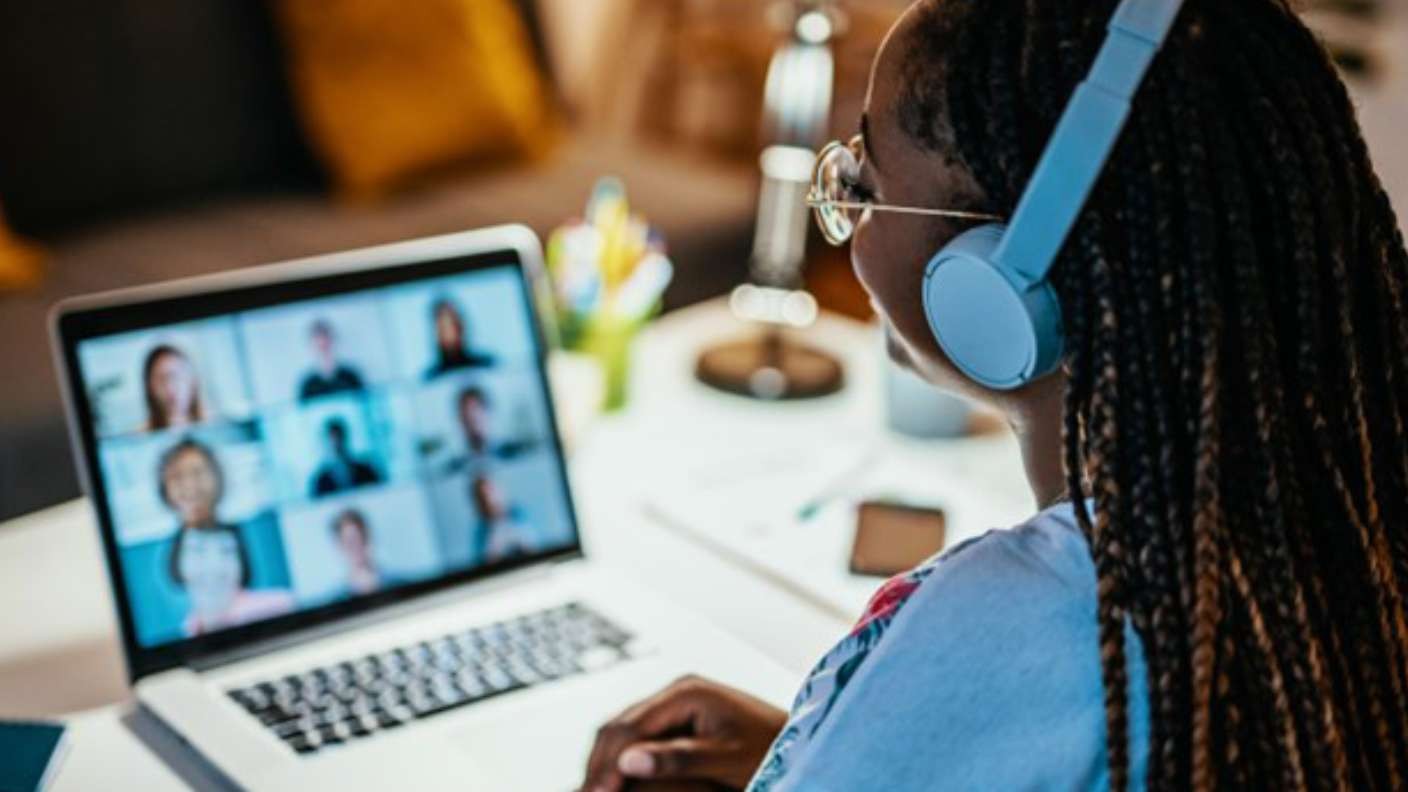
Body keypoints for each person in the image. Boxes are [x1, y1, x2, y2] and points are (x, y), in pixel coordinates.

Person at [581, 1, 1408, 791]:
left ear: (1007, 275)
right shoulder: (1340, 544)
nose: (848, 223)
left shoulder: (1009, 621)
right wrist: (841, 750)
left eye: (864, 184)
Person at [158, 439, 293, 636]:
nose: (190, 485)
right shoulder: (190, 627)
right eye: (177, 477)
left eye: (198, 473)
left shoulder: (278, 604)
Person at [424, 297, 496, 379]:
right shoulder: (431, 379)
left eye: (453, 324)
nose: (450, 333)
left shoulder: (485, 366)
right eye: (444, 328)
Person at [309, 417, 382, 497]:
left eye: (339, 437)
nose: (336, 443)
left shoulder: (366, 470)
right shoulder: (321, 480)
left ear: (345, 438)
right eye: (332, 439)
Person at [142, 344, 207, 431]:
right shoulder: (141, 436)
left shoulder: (215, 425)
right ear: (150, 388)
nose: (170, 388)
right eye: (160, 379)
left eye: (176, 377)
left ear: (192, 381)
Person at [469, 474, 531, 564]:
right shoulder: (481, 532)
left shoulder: (517, 513)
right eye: (484, 497)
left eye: (491, 492)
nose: (490, 500)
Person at [298, 319, 365, 401]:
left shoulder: (351, 377)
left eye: (325, 342)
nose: (323, 347)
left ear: (332, 341)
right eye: (319, 345)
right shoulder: (308, 385)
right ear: (312, 346)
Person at [330, 508, 382, 596]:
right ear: (340, 546)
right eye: (349, 543)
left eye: (360, 539)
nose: (356, 547)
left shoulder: (398, 582)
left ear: (368, 537)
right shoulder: (336, 597)